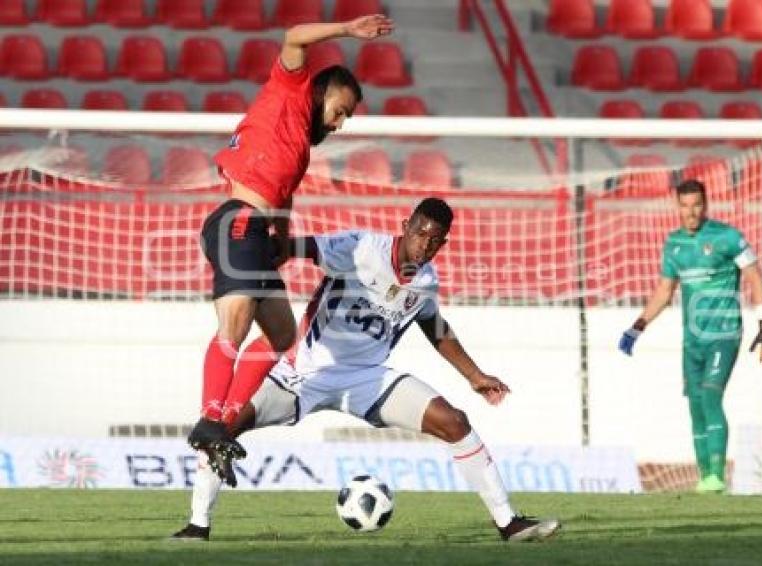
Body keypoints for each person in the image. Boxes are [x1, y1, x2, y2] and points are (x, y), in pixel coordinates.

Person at [173, 198, 561, 542]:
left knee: (454, 422)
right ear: (405, 227)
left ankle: (509, 523)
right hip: (305, 370)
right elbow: (293, 247)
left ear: (443, 243)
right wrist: (255, 257)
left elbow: (435, 328)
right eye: (420, 233)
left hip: (367, 378)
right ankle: (197, 526)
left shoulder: (426, 281)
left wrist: (475, 376)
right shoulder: (360, 248)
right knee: (223, 429)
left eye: (434, 239)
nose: (425, 244)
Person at [189, 15, 395, 462]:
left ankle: (224, 421)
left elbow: (282, 198)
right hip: (237, 220)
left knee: (282, 334)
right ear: (321, 92)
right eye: (340, 111)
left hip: (259, 231)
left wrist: (282, 241)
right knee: (236, 323)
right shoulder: (290, 90)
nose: (340, 123)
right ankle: (208, 418)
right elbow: (294, 37)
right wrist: (349, 29)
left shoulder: (299, 145)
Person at [618, 179, 762, 493]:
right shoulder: (674, 244)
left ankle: (717, 475)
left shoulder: (727, 237)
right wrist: (638, 326)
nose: (691, 212)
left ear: (706, 205)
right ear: (677, 206)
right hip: (691, 340)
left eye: (697, 205)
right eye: (685, 205)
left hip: (725, 334)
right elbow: (665, 290)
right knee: (694, 404)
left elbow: (754, 277)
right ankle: (705, 477)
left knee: (710, 395)